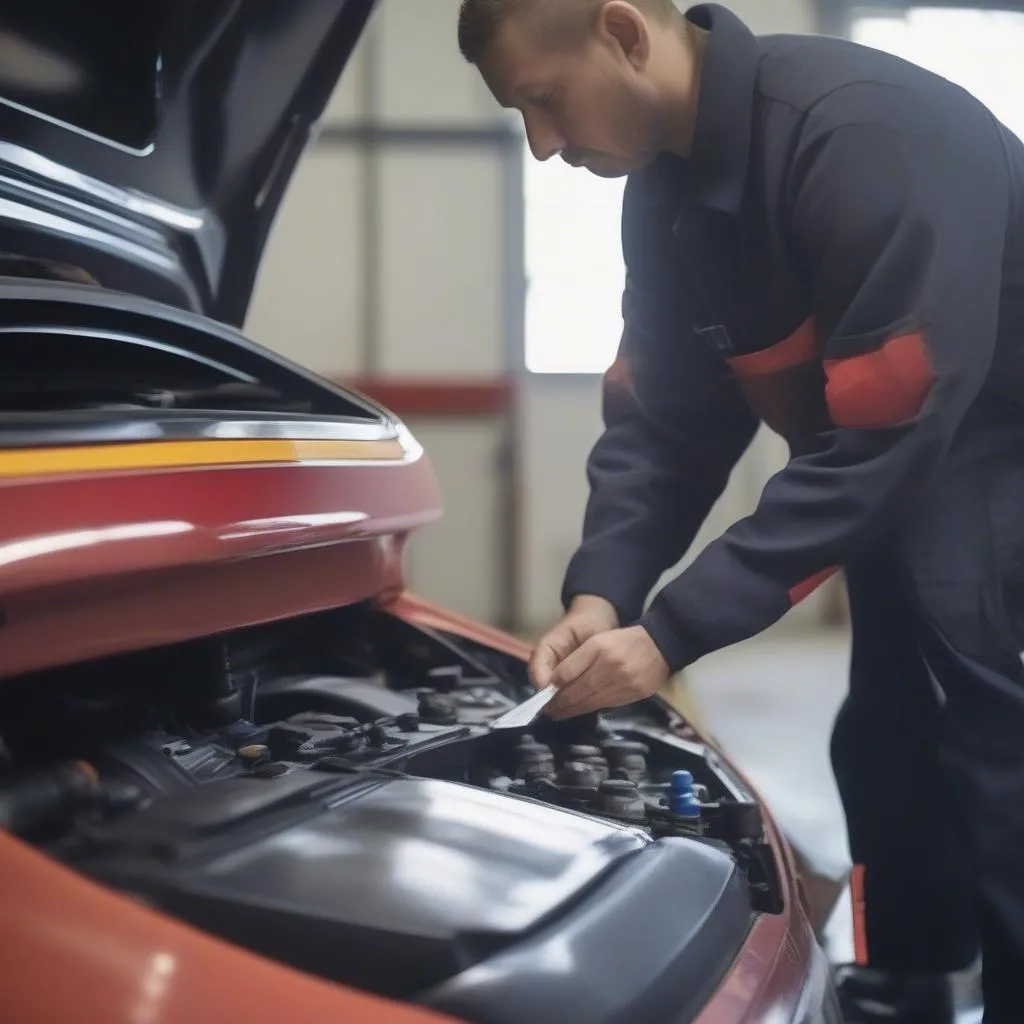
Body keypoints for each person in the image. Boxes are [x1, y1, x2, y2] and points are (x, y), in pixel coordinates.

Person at [456, 2, 1024, 1022]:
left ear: (625, 33)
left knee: (997, 746)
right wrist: (605, 589)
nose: (540, 146)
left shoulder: (857, 137)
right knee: (889, 735)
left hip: (993, 454)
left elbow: (892, 428)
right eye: (519, 118)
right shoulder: (667, 193)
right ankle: (914, 978)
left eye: (542, 101)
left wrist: (674, 628)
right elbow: (665, 415)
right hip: (905, 469)